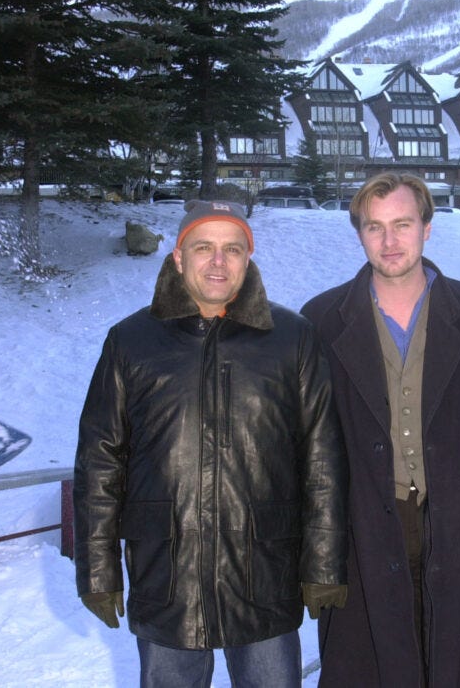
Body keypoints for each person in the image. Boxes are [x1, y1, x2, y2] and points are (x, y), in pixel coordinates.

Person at [74, 200, 348, 688]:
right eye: (204, 248)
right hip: (168, 573)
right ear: (179, 257)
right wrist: (98, 570)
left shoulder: (293, 339)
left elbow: (322, 457)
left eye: (232, 249)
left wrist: (324, 561)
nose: (218, 261)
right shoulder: (131, 341)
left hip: (263, 572)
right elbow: (99, 462)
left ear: (248, 258)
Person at [300, 172, 460, 687]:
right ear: (359, 234)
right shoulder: (320, 320)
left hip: (453, 522)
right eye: (374, 227)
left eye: (402, 224)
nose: (389, 241)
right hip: (361, 526)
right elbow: (304, 436)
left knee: (453, 661)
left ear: (427, 228)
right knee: (366, 666)